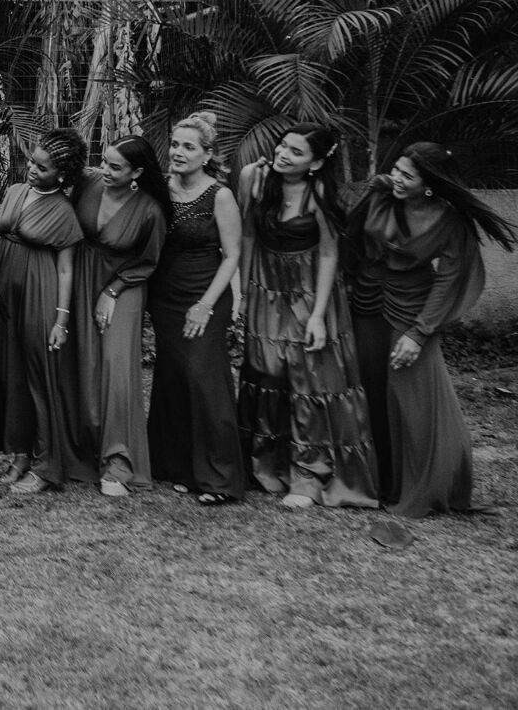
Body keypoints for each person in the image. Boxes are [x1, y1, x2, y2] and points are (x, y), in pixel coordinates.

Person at [348, 143, 514, 517]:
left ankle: (431, 484)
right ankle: (381, 483)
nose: (398, 178)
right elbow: (352, 241)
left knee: (415, 400)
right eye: (398, 169)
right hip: (366, 301)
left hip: (411, 309)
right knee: (371, 392)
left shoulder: (449, 219)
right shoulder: (379, 192)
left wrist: (420, 332)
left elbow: (451, 277)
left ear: (429, 183)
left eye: (408, 175)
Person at [238, 122, 378, 509]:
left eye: (296, 152)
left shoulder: (319, 193)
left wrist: (318, 316)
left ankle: (309, 476)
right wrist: (244, 293)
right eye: (282, 146)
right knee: (268, 373)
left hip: (310, 292)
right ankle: (268, 465)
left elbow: (330, 254)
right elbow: (247, 236)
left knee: (309, 381)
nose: (283, 154)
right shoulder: (256, 178)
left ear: (316, 163)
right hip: (265, 288)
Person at [146, 112, 246, 506]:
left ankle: (220, 477)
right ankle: (181, 468)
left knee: (206, 379)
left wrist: (206, 304)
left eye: (189, 146)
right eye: (175, 144)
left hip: (206, 292)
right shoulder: (159, 190)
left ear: (207, 155)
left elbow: (233, 254)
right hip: (165, 295)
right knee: (173, 378)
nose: (178, 152)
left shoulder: (219, 194)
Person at [74, 135, 168, 497]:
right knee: (84, 366)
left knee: (117, 369)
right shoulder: (88, 183)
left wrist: (111, 292)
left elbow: (149, 261)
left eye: (115, 166)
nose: (105, 170)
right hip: (81, 280)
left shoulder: (149, 210)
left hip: (124, 287)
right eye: (104, 161)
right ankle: (84, 451)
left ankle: (119, 461)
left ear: (137, 172)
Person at [3, 129, 95, 495]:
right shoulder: (15, 191)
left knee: (41, 381)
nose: (31, 170)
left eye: (41, 168)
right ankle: (21, 455)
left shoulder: (62, 211)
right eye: (31, 162)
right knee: (15, 379)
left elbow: (66, 269)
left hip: (40, 294)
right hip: (9, 295)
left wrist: (61, 319)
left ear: (61, 174)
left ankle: (47, 466)